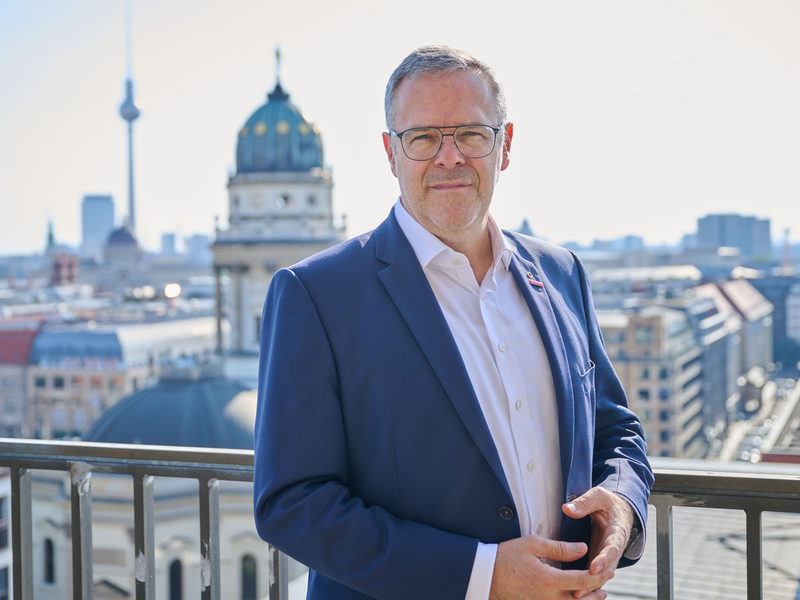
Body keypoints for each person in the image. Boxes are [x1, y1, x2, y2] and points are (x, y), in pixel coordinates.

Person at [254, 45, 654, 600]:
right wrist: (481, 576)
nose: (449, 158)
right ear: (390, 152)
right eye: (422, 138)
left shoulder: (561, 273)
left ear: (504, 145)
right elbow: (292, 504)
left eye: (471, 133)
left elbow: (614, 429)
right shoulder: (315, 295)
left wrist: (622, 500)